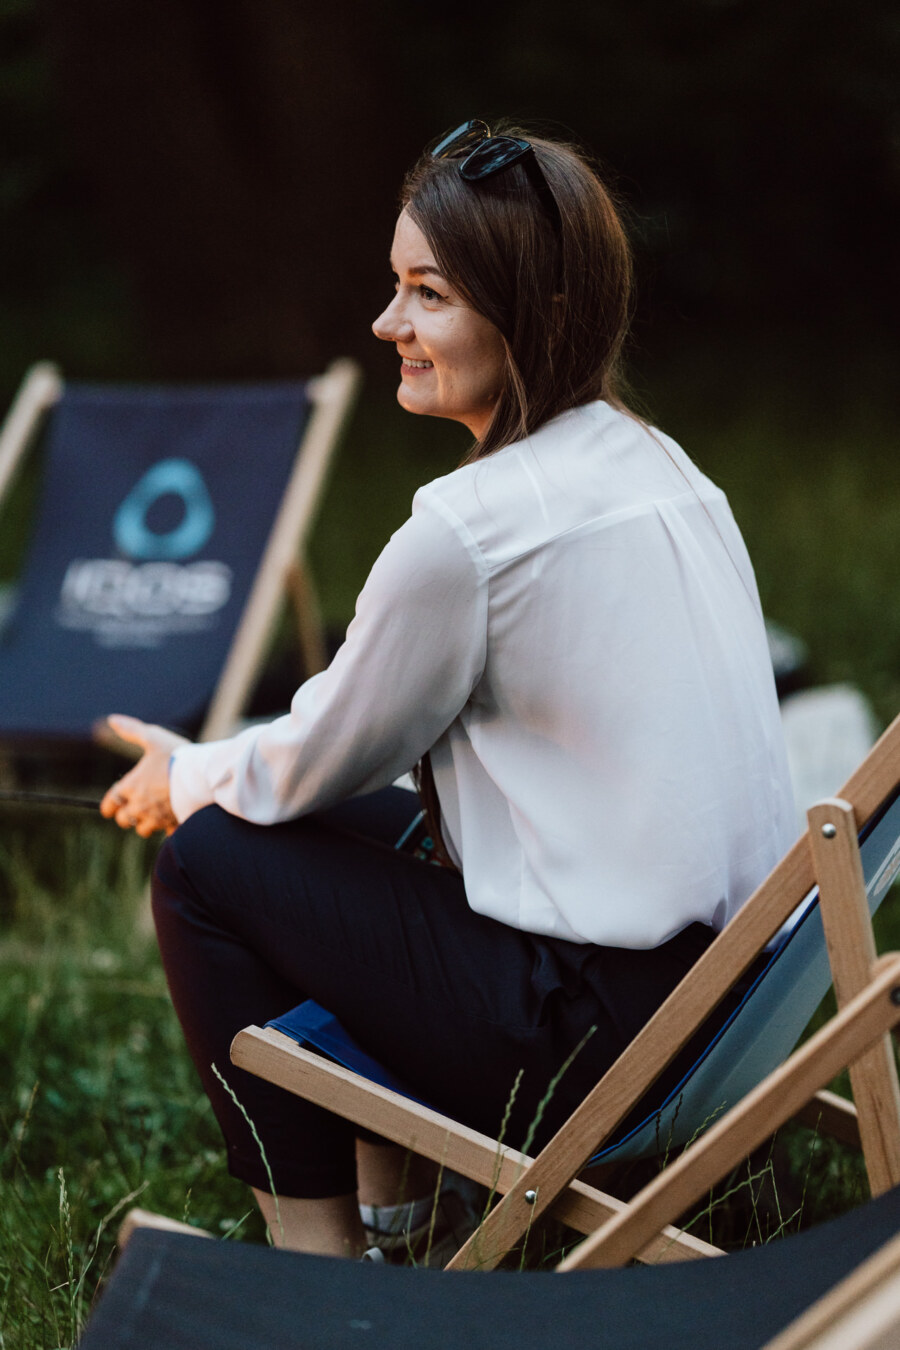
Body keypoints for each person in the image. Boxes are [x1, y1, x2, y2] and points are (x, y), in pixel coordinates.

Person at [100, 120, 796, 1262]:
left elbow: (318, 755)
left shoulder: (470, 535)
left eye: (427, 294)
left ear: (528, 314)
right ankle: (402, 1225)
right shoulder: (664, 468)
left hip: (594, 1050)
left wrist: (189, 776)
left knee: (208, 857)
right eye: (395, 287)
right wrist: (227, 764)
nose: (389, 326)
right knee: (324, 821)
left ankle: (319, 1273)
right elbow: (341, 752)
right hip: (726, 1006)